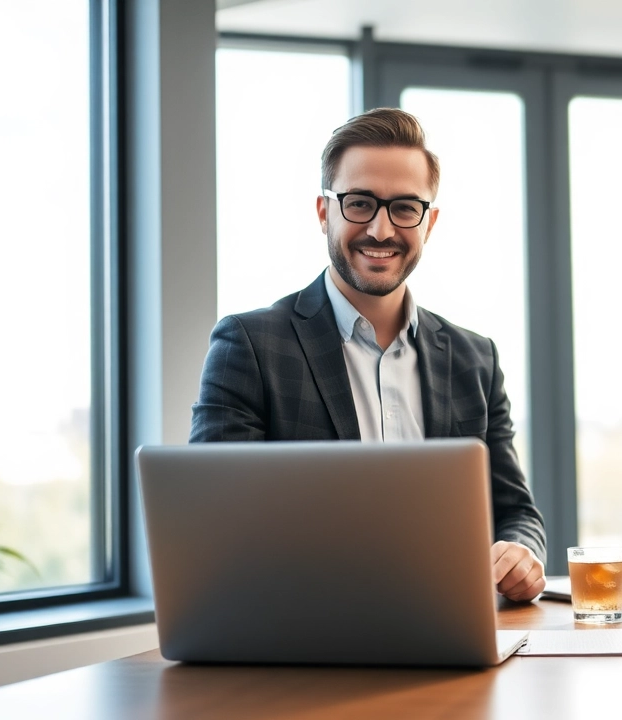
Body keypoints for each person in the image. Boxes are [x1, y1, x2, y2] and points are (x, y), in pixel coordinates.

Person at [190, 108, 546, 602]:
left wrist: (519, 553)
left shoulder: (475, 359)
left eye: (404, 208)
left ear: (430, 222)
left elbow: (515, 512)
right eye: (359, 203)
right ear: (324, 212)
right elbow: (212, 522)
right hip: (305, 640)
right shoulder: (249, 346)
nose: (381, 230)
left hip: (448, 630)